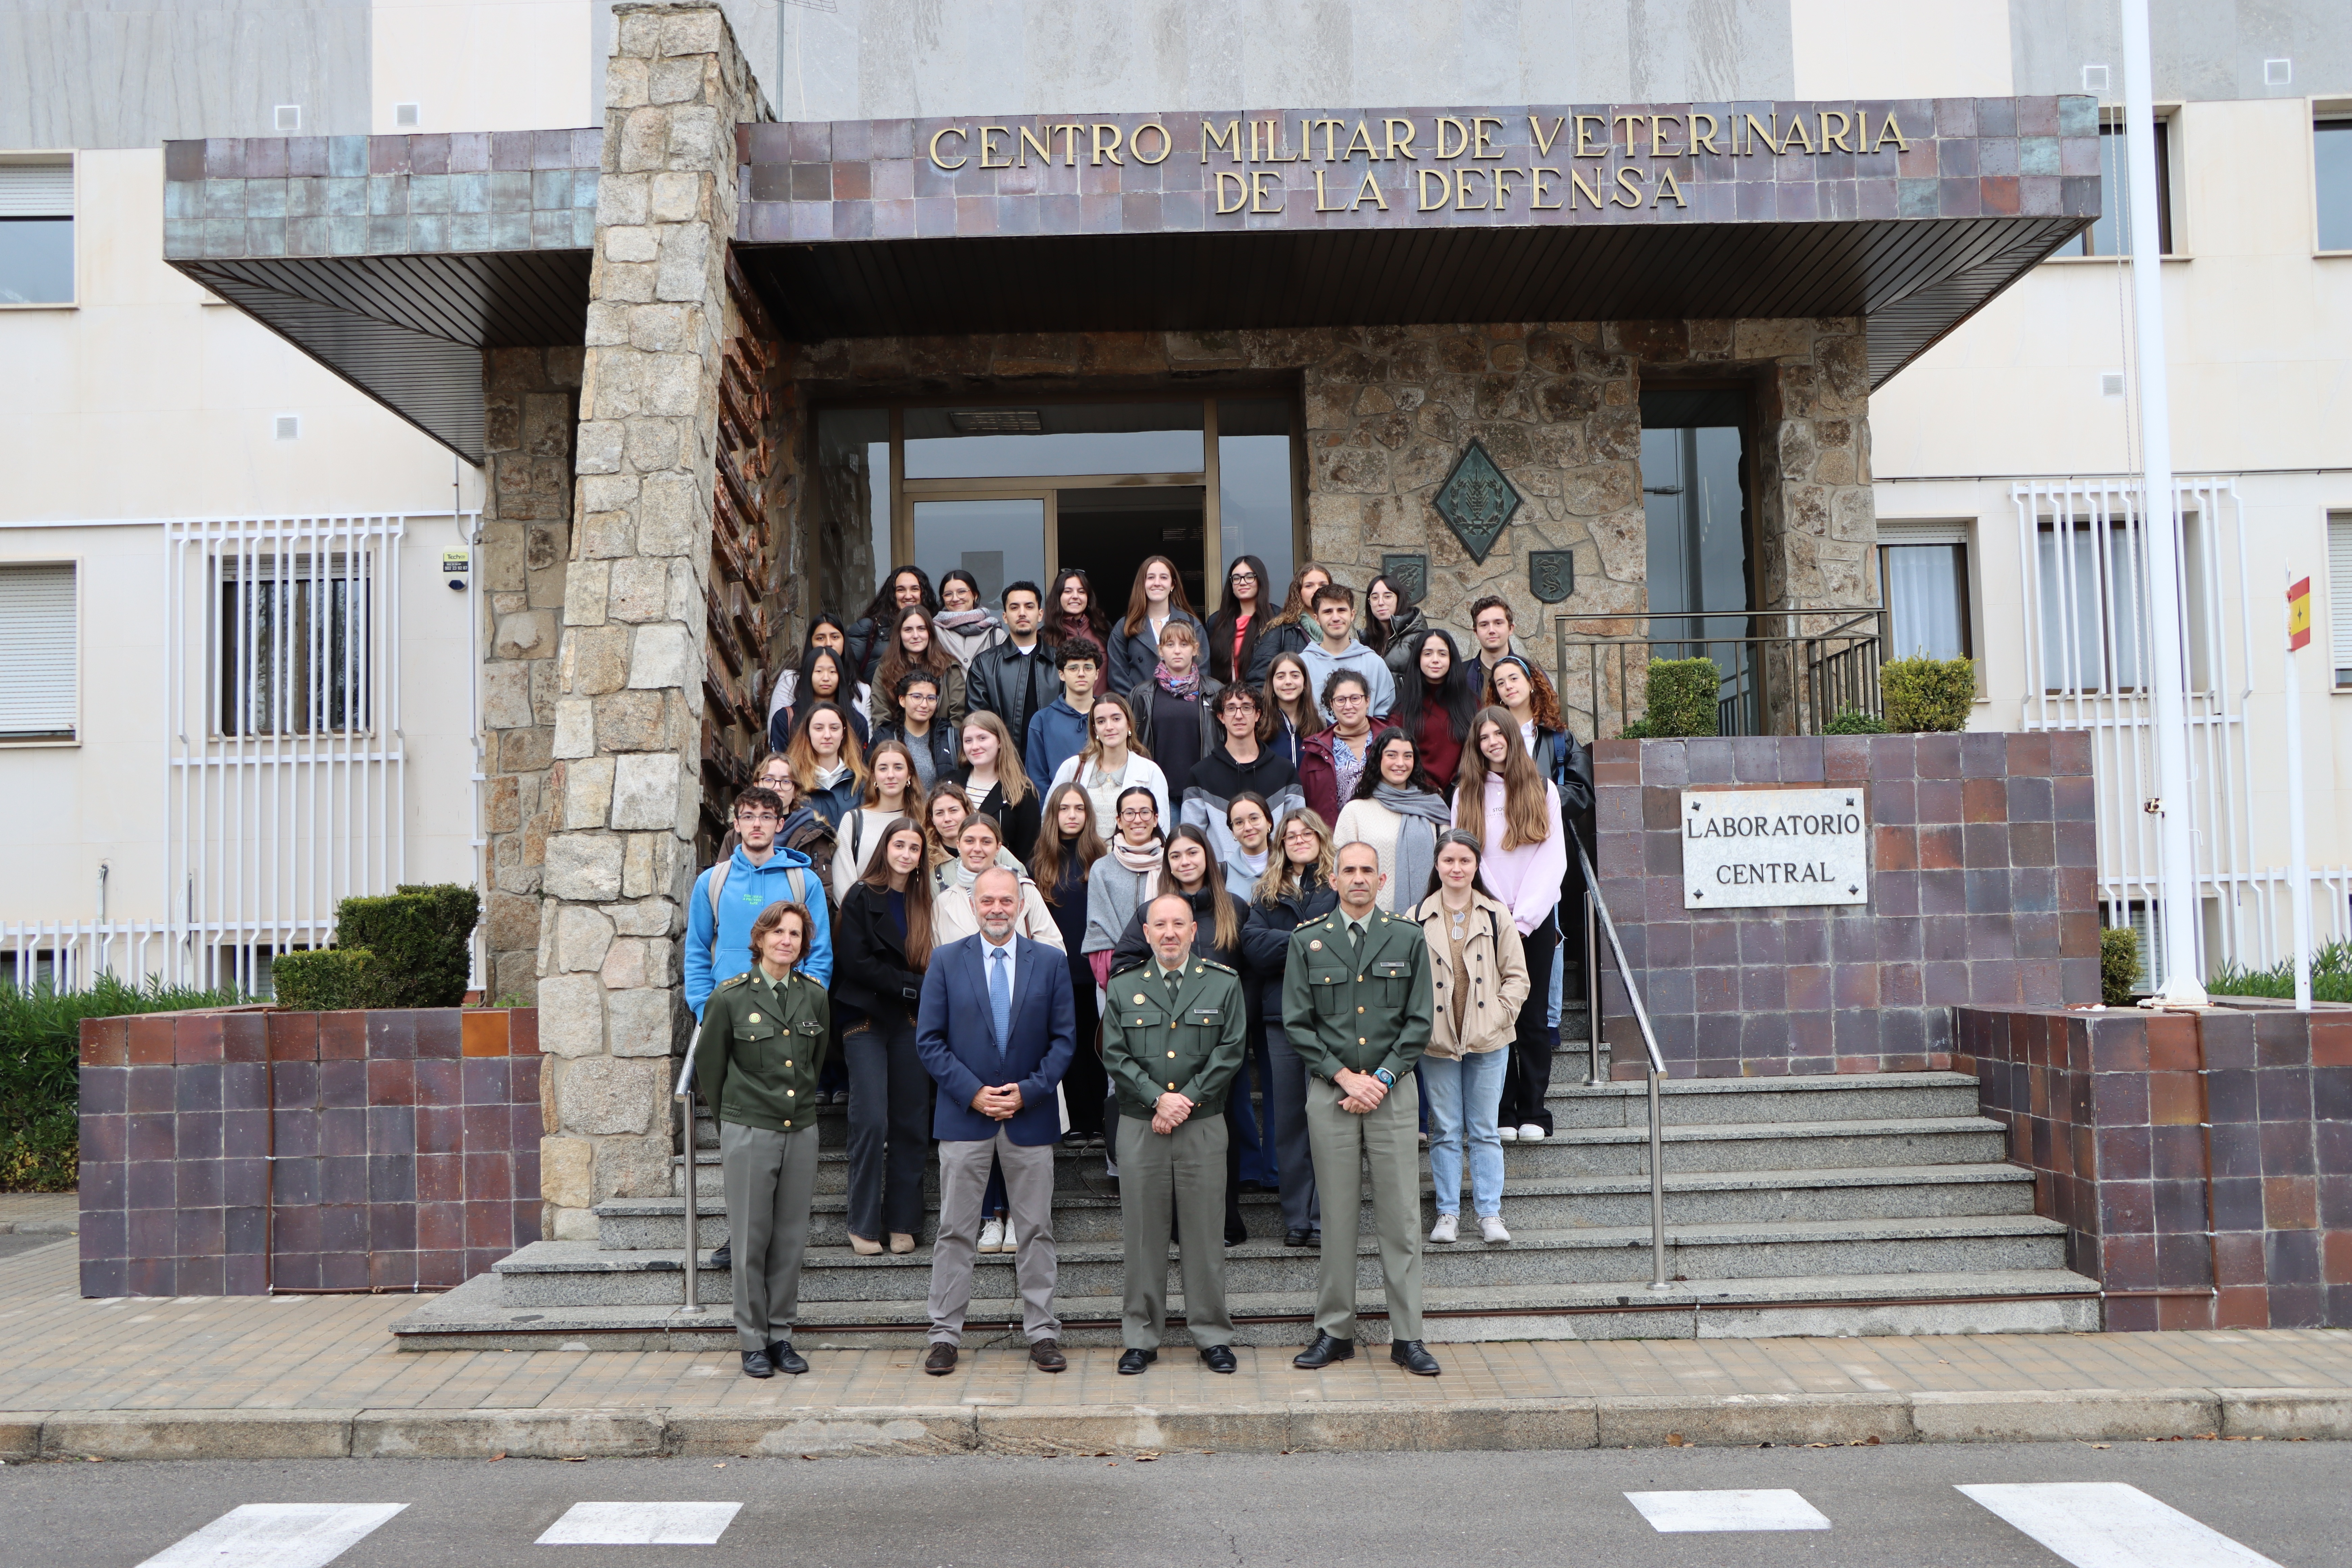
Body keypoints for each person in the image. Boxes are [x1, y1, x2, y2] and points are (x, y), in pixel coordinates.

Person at [1281, 839, 1438, 1376]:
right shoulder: (1309, 942)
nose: (1358, 879)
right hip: (1332, 1093)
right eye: (1348, 870)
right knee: (1338, 1219)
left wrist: (1383, 1078)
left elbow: (1420, 1020)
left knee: (1401, 1220)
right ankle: (1335, 1332)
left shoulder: (1407, 936)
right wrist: (1346, 1076)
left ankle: (1408, 1337)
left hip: (1394, 1095)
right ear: (1334, 879)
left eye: (1367, 870)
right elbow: (1297, 1023)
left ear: (1382, 879)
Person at [915, 866, 1078, 1375]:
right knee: (956, 1231)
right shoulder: (945, 962)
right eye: (987, 901)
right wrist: (975, 1094)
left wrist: (1026, 1093)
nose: (997, 909)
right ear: (973, 904)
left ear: (1022, 904)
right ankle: (944, 1335)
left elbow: (1064, 1042)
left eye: (1006, 900)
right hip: (965, 1117)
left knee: (1036, 1230)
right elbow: (930, 1042)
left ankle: (1043, 1334)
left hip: (1029, 1119)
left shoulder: (1050, 963)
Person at [1101, 892, 1246, 1375]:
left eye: (1178, 924)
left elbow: (1231, 1051)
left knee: (1206, 1235)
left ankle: (1213, 1337)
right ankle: (1141, 1338)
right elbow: (1115, 1055)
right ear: (1146, 933)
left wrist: (1184, 1100)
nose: (1168, 932)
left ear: (1193, 931)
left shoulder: (1223, 984)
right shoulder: (1123, 988)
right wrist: (1157, 1099)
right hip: (1142, 1126)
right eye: (1159, 924)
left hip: (1202, 1125)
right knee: (1144, 1236)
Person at [693, 899, 827, 1377]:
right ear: (760, 939)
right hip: (750, 1128)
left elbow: (816, 1058)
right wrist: (733, 1122)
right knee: (751, 1239)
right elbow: (711, 1068)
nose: (786, 941)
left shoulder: (813, 995)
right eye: (778, 933)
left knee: (790, 1240)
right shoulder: (729, 997)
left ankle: (780, 1335)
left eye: (795, 934)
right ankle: (752, 1341)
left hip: (800, 1128)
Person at [1107, 823, 1258, 1246]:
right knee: (1167, 1143)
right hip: (1160, 1043)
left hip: (1218, 1040)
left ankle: (1225, 1220)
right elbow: (1123, 964)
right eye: (1176, 855)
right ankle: (1172, 1224)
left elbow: (1247, 968)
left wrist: (1233, 1018)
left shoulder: (1236, 907)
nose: (1185, 861)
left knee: (1221, 1129)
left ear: (1208, 856)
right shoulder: (1150, 911)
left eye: (1193, 852)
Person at [1456, 703, 1570, 1145]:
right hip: (1485, 919)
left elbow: (1552, 858)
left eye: (1498, 734)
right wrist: (1499, 912)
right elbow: (1466, 859)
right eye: (1483, 737)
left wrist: (1523, 917)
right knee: (1493, 1017)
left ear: (1510, 737)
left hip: (1534, 921)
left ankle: (1534, 1111)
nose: (1492, 742)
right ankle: (1501, 1109)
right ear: (1477, 744)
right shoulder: (1465, 793)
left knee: (1533, 1018)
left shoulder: (1542, 789)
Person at [1411, 829, 1529, 1247]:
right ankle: (1448, 1212)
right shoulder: (1415, 917)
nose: (1457, 868)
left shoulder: (1496, 915)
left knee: (1484, 1129)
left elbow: (1517, 977)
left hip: (1489, 1039)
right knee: (1443, 1128)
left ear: (1477, 865)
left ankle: (1489, 1212)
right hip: (1437, 1040)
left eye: (1465, 860)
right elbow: (1406, 981)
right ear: (1437, 865)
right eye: (1449, 860)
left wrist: (1498, 1017)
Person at [832, 818, 935, 1257]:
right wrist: (911, 985)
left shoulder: (923, 902)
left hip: (910, 1023)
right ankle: (863, 1221)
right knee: (872, 1119)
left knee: (912, 1123)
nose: (907, 854)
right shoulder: (860, 895)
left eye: (915, 848)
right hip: (867, 1019)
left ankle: (904, 1222)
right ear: (885, 848)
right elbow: (855, 963)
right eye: (900, 845)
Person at [1241, 810, 1336, 1248]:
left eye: (1306, 833)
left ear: (1320, 837)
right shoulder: (1266, 892)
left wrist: (1297, 941)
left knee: (1326, 1119)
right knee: (1290, 1122)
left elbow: (1338, 943)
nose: (1298, 839)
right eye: (1290, 834)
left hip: (1330, 1020)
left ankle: (1323, 1218)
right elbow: (1254, 947)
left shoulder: (1336, 884)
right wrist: (1305, 939)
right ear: (1280, 843)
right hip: (1280, 1019)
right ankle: (1297, 1218)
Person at [685, 786, 833, 1021]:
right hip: (726, 1009)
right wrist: (705, 1008)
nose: (757, 824)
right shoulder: (711, 882)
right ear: (736, 824)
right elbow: (697, 950)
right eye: (748, 816)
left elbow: (820, 952)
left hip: (788, 1011)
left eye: (766, 817)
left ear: (780, 824)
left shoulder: (805, 882)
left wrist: (807, 1005)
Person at [1031, 781, 1110, 1147]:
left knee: (1098, 1047)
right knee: (1069, 1046)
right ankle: (1077, 1121)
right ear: (1053, 814)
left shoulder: (1103, 858)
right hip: (1057, 973)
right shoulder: (1039, 863)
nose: (1072, 815)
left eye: (1079, 808)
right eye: (1065, 808)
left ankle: (1100, 1120)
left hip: (1096, 972)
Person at [1333, 727, 1454, 917]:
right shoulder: (1356, 811)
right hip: (1371, 921)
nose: (1401, 763)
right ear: (1378, 759)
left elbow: (1449, 862)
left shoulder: (1434, 806)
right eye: (1392, 755)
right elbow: (1341, 872)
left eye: (1408, 756)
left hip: (1432, 919)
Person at [1182, 683, 1302, 870]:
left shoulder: (1285, 771)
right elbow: (1191, 839)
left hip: (1278, 877)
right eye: (1231, 709)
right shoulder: (1201, 774)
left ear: (1258, 715)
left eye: (1246, 708)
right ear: (1221, 717)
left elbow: (1297, 832)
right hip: (1223, 881)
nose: (1239, 715)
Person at [1126, 619, 1220, 806]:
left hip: (1205, 795)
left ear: (1195, 649)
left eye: (1184, 644)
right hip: (1158, 796)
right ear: (1161, 651)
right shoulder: (1142, 694)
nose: (1177, 651)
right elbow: (1131, 743)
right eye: (1170, 645)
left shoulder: (1215, 691)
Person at [1050, 693, 1170, 839]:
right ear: (1095, 730)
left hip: (1129, 859)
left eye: (1116, 719)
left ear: (1129, 724)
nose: (1109, 727)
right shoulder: (1073, 767)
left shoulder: (1151, 772)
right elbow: (1050, 819)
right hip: (1080, 858)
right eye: (1101, 722)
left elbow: (1162, 830)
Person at [933, 814, 1058, 946]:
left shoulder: (1025, 891)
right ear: (959, 845)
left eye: (986, 842)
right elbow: (937, 961)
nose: (977, 849)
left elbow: (1052, 951)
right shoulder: (943, 903)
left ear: (998, 848)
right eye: (969, 841)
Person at [966, 581, 1062, 748]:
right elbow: (978, 722)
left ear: (1041, 615)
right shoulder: (985, 664)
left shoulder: (1061, 662)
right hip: (1002, 764)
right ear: (1004, 617)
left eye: (1029, 607)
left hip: (1053, 764)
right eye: (1014, 608)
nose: (1022, 613)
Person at [1390, 628, 1479, 792]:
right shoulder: (1404, 707)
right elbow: (1394, 754)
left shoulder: (1471, 704)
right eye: (1428, 654)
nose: (1435, 660)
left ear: (1452, 660)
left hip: (1464, 794)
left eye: (1443, 654)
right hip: (1417, 794)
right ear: (1418, 659)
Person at [831, 740, 921, 900]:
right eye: (883, 768)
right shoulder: (854, 821)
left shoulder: (922, 820)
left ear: (910, 775)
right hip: (863, 918)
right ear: (873, 776)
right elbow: (843, 886)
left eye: (898, 768)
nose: (891, 775)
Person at [1107, 554, 1208, 693]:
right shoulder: (1124, 627)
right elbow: (1117, 677)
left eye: (1164, 578)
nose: (1157, 583)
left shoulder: (1192, 624)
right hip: (1138, 709)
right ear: (1142, 583)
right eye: (1151, 577)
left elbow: (1203, 672)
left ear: (1173, 584)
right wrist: (1135, 706)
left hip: (1185, 707)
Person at [1298, 582, 1395, 721]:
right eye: (1328, 612)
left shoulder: (1374, 664)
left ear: (1352, 615)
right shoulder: (1303, 665)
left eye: (1342, 610)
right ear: (1317, 619)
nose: (1336, 618)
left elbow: (1387, 717)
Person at [1298, 669, 1382, 826]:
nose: (1348, 706)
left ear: (1368, 701)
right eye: (1341, 700)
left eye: (1355, 698)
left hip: (1383, 834)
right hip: (1333, 842)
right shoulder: (1317, 751)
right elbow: (1305, 807)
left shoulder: (1389, 741)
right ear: (1332, 704)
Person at [956, 711, 1041, 861]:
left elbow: (1029, 853)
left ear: (1000, 741)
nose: (975, 746)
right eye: (968, 741)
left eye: (982, 738)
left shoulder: (1022, 791)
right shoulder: (951, 783)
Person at [870, 605, 967, 733]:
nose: (916, 636)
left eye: (922, 629)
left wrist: (944, 746)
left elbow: (959, 716)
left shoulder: (949, 668)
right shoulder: (885, 670)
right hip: (897, 747)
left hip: (942, 745)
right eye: (908, 630)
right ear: (899, 634)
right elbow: (881, 717)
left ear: (930, 633)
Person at [1023, 638, 1104, 788]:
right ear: (1062, 674)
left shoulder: (1110, 717)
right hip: (1059, 807)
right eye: (1073, 668)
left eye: (1088, 668)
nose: (1081, 674)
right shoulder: (1042, 720)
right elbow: (1037, 778)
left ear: (1097, 673)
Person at [762, 614, 856, 743]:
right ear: (811, 642)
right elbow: (777, 732)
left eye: (835, 637)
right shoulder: (791, 680)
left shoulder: (860, 689)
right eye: (820, 638)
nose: (828, 644)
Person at [768, 644, 871, 754]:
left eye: (832, 672)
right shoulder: (784, 719)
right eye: (819, 671)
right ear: (808, 675)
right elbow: (779, 764)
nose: (826, 678)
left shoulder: (857, 722)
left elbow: (859, 766)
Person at [1245, 562, 1335, 682]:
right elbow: (1260, 679)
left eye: (1323, 585)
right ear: (1299, 592)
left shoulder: (1339, 631)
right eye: (1309, 586)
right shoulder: (1280, 630)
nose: (1317, 590)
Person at [848, 566, 937, 682]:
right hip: (877, 699)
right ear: (892, 594)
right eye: (901, 590)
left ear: (923, 593)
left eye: (915, 589)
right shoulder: (868, 628)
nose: (908, 596)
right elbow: (847, 672)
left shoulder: (935, 626)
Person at [872, 670, 957, 793]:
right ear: (902, 700)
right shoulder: (884, 737)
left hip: (938, 811)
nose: (924, 704)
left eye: (931, 698)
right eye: (917, 697)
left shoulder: (950, 738)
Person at [785, 701, 866, 829]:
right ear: (808, 733)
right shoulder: (792, 780)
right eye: (819, 728)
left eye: (834, 728)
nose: (827, 735)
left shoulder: (862, 782)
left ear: (843, 733)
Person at [1204, 554, 1270, 687]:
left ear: (1260, 580)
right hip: (1223, 701)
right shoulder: (1216, 622)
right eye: (1237, 578)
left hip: (1263, 701)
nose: (1242, 582)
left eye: (1250, 577)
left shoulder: (1276, 620)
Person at [1258, 651, 1323, 772]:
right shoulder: (1258, 726)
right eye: (1281, 676)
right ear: (1271, 683)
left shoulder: (1322, 726)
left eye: (1295, 676)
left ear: (1305, 684)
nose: (1288, 682)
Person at [932, 569, 1007, 671]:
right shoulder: (934, 632)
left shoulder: (996, 635)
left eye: (962, 592)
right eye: (949, 594)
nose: (955, 599)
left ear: (975, 596)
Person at [1362, 572, 1429, 679]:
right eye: (1375, 598)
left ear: (1399, 599)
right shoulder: (1364, 640)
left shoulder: (1418, 638)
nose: (1381, 602)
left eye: (1388, 596)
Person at [1044, 565, 1109, 655]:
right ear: (1058, 597)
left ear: (1088, 598)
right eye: (1068, 591)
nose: (1075, 596)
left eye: (1081, 592)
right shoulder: (1044, 636)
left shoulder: (1104, 629)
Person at [1466, 594, 1531, 685]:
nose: (1492, 631)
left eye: (1498, 623)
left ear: (1511, 629)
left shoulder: (1531, 673)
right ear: (1476, 632)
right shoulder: (1459, 676)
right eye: (1484, 625)